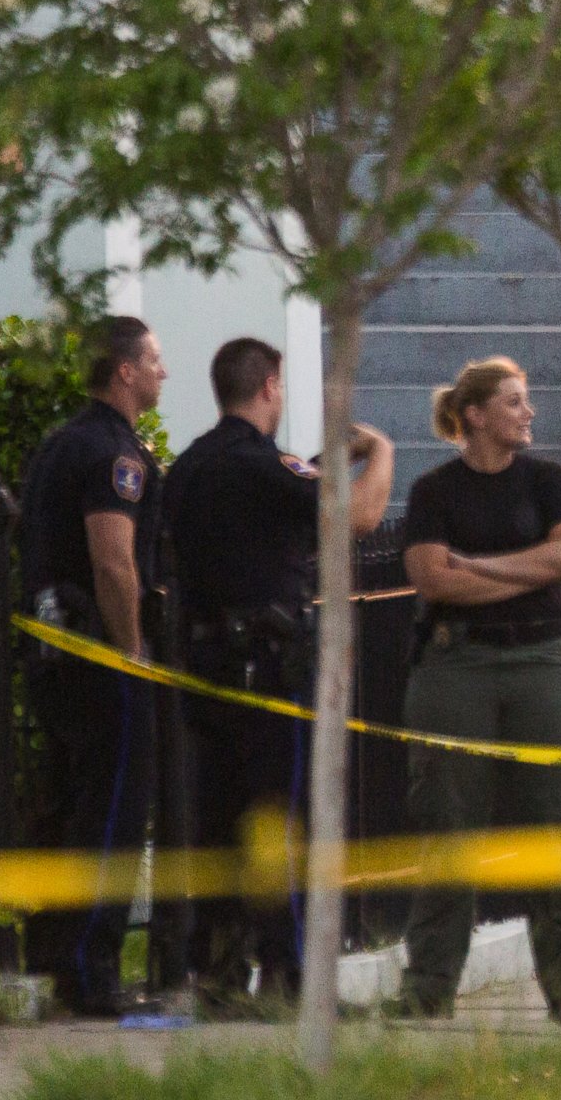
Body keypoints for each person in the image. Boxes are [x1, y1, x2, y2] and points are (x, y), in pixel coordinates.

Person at [163, 337, 394, 1013]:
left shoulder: (191, 466)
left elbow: (273, 503)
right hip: (265, 668)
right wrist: (378, 453)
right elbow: (360, 514)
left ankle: (217, 972)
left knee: (218, 821)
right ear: (268, 387)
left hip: (206, 667)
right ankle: (290, 978)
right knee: (277, 823)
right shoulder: (262, 465)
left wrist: (320, 466)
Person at [393, 356, 561, 1023]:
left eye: (527, 400)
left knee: (554, 830)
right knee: (449, 833)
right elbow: (433, 578)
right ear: (476, 414)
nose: (528, 413)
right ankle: (428, 990)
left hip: (542, 660)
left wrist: (479, 564)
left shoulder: (548, 480)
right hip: (458, 666)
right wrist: (526, 572)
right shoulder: (434, 490)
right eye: (514, 402)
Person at [18, 315, 169, 1018]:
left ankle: (60, 958)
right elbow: (114, 559)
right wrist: (133, 649)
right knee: (112, 811)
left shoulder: (58, 445)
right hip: (100, 658)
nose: (164, 373)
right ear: (127, 372)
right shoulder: (115, 453)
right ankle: (91, 971)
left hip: (55, 653)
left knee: (71, 808)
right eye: (156, 361)